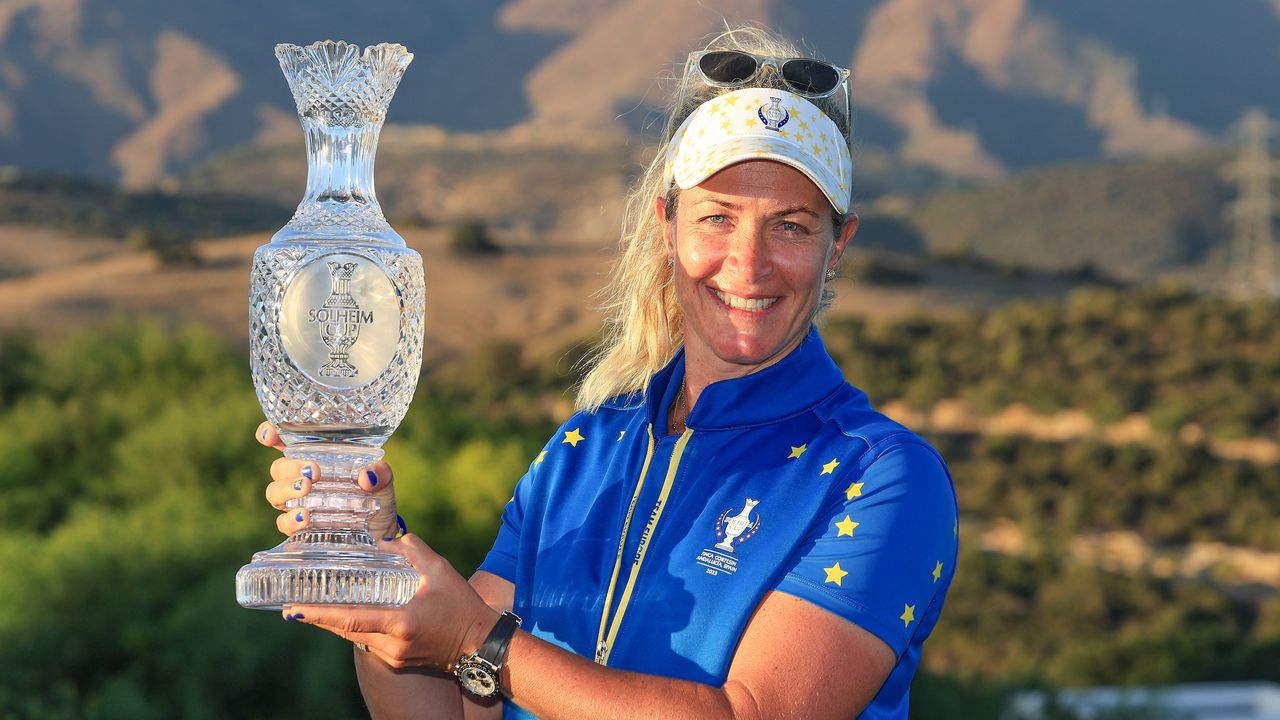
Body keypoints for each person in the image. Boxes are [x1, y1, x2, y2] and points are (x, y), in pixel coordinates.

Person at [257, 27, 958, 719]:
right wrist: (378, 557)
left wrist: (478, 638)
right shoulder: (584, 450)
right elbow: (450, 710)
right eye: (717, 218)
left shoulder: (881, 476)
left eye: (793, 226)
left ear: (839, 246)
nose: (749, 263)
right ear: (668, 226)